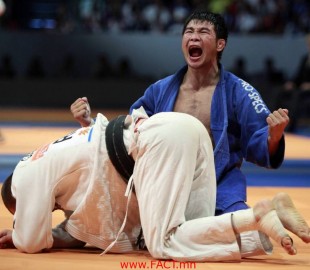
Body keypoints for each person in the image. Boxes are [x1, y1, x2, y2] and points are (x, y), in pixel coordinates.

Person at [71, 9, 290, 258]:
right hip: (166, 183)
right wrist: (89, 125)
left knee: (242, 238)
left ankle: (270, 218)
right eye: (189, 32)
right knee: (101, 225)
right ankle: (270, 215)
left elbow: (260, 141)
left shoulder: (240, 91)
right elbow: (131, 135)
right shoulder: (160, 90)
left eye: (203, 32)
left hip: (220, 186)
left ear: (220, 44)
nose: (194, 37)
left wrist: (274, 135)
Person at [1, 108, 309, 261]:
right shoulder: (51, 158)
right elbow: (75, 229)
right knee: (195, 230)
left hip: (157, 144)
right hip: (184, 128)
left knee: (163, 243)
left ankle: (254, 216)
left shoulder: (28, 173)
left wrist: (20, 231)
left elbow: (30, 241)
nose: (51, 208)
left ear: (20, 197)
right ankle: (269, 226)